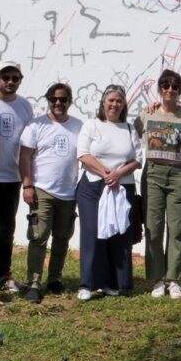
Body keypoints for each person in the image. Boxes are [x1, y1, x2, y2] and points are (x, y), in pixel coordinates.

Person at [134, 70, 181, 300]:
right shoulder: (146, 113)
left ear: (180, 90)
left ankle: (175, 280)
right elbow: (131, 136)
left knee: (178, 227)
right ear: (160, 89)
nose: (169, 90)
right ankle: (157, 279)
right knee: (153, 227)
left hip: (178, 174)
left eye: (174, 86)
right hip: (153, 173)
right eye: (165, 85)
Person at [76, 84, 143, 300]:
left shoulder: (129, 128)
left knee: (119, 234)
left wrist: (118, 173)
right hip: (93, 186)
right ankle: (88, 283)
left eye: (119, 101)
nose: (115, 104)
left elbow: (137, 159)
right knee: (93, 233)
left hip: (122, 187)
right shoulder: (92, 125)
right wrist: (106, 174)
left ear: (124, 104)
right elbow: (83, 154)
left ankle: (115, 282)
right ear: (103, 103)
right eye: (111, 100)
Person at [19, 83, 83, 303]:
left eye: (63, 99)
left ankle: (54, 279)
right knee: (38, 237)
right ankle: (34, 283)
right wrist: (27, 185)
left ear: (69, 101)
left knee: (62, 238)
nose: (58, 103)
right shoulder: (36, 125)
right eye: (53, 99)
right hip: (41, 189)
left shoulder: (78, 126)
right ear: (48, 100)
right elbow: (25, 157)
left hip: (68, 192)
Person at [0, 61, 33, 293]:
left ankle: (2, 274)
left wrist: (27, 179)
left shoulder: (25, 106)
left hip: (11, 178)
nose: (10, 82)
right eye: (5, 77)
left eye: (15, 78)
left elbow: (28, 145)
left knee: (5, 230)